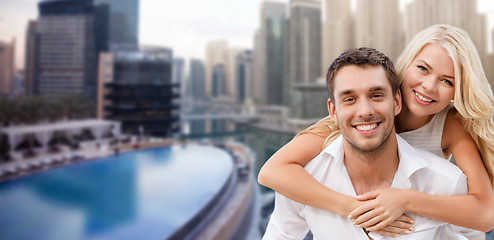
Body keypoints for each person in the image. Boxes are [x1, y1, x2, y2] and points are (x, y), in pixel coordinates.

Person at [258, 24, 494, 236]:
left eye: (448, 81)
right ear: (407, 65)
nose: (429, 86)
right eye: (423, 69)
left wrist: (405, 199)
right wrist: (356, 209)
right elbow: (272, 171)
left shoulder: (450, 125)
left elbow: (484, 214)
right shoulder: (351, 122)